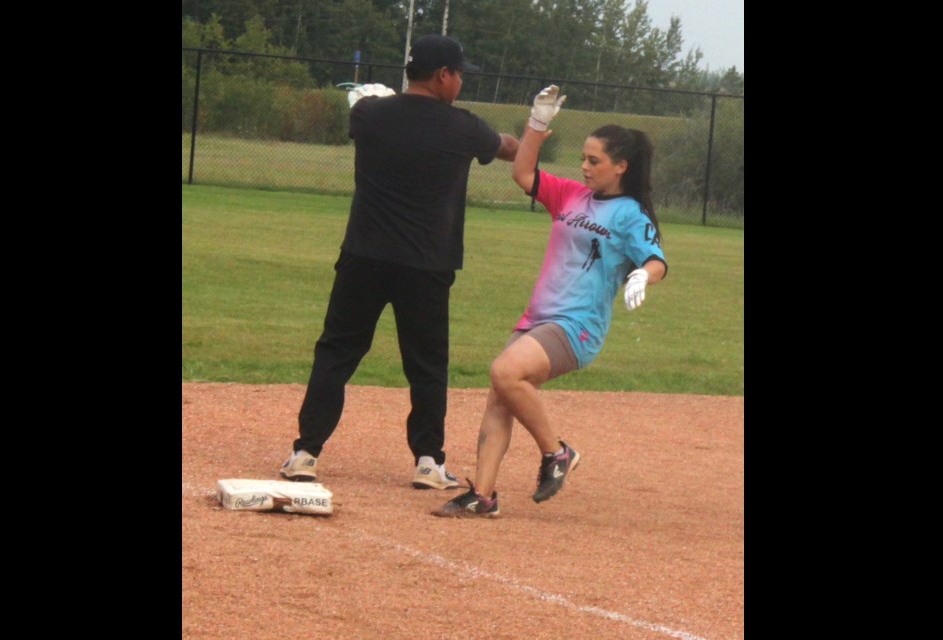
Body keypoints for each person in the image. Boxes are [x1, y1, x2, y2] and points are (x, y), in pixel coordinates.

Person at [280, 34, 520, 490]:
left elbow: (363, 116)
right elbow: (507, 148)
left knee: (336, 353)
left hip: (364, 256)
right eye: (459, 74)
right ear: (443, 75)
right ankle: (428, 461)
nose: (462, 82)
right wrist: (535, 128)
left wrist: (373, 102)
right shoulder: (463, 127)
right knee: (427, 364)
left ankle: (305, 452)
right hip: (427, 265)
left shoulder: (369, 115)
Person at [432, 85, 668, 517]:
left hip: (577, 326)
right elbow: (523, 174)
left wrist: (642, 274)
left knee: (505, 371)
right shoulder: (571, 195)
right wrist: (537, 126)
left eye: (594, 160)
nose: (584, 166)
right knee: (501, 395)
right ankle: (483, 496)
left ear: (622, 166)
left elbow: (656, 259)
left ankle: (556, 452)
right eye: (583, 157)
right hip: (539, 317)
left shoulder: (631, 214)